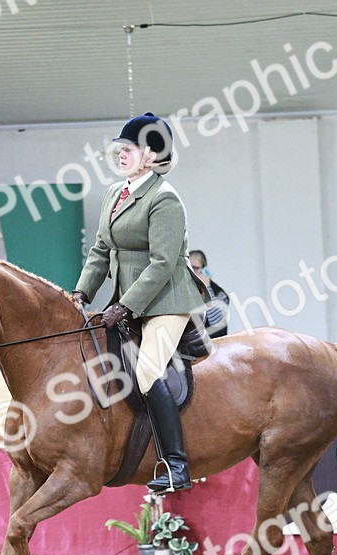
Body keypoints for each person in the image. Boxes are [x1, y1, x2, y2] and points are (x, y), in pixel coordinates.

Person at [72, 112, 207, 494]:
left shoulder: (165, 199)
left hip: (166, 300)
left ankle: (177, 466)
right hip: (126, 299)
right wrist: (81, 291)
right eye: (121, 148)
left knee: (147, 371)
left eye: (129, 148)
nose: (121, 154)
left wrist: (126, 306)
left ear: (150, 155)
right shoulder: (115, 194)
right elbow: (101, 249)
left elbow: (164, 263)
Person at [189, 249, 230, 337]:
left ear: (204, 270)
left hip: (216, 344)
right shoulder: (188, 291)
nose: (192, 272)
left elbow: (216, 321)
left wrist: (207, 288)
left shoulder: (219, 294)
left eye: (195, 268)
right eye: (189, 268)